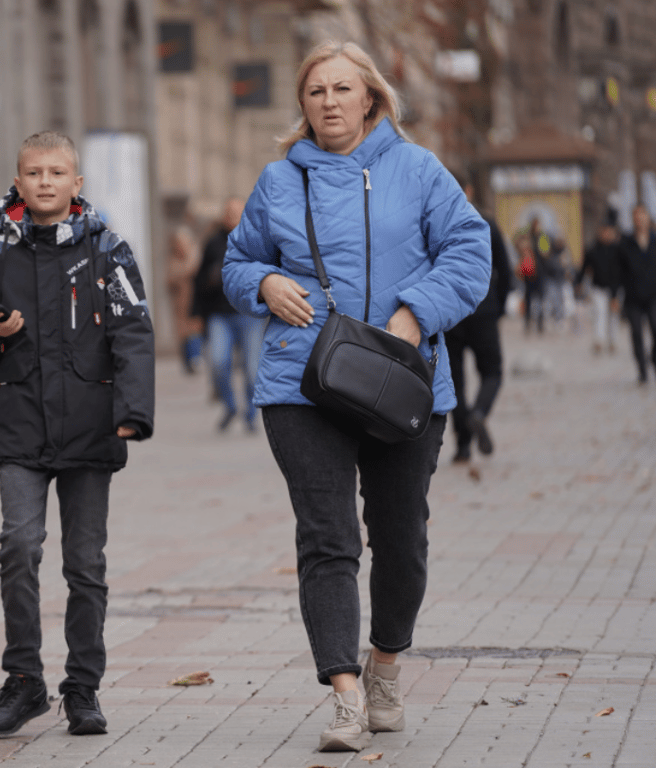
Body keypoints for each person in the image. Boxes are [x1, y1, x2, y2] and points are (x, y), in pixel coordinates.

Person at [222, 42, 489, 752]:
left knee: (402, 539)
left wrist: (417, 311)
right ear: (303, 105)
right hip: (301, 384)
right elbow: (237, 261)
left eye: (343, 89)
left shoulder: (419, 170)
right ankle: (344, 695)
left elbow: (471, 251)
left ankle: (385, 666)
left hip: (402, 380)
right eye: (317, 92)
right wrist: (262, 283)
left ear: (371, 97)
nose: (330, 102)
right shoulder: (279, 180)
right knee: (328, 538)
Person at [0, 130, 154, 738]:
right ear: (18, 182)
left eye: (56, 173)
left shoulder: (108, 251)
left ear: (76, 183)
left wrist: (134, 410)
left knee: (85, 565)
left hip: (91, 427)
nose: (45, 182)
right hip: (19, 426)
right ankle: (23, 682)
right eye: (35, 173)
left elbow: (133, 332)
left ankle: (83, 688)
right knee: (19, 547)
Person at [445, 178, 513, 464]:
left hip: (450, 313)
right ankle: (479, 413)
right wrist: (498, 307)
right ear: (469, 190)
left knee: (455, 382)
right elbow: (505, 271)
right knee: (492, 372)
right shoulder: (486, 223)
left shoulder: (438, 224)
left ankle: (463, 447)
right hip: (483, 310)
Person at [191, 196, 264, 432]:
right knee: (218, 362)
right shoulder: (213, 243)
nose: (232, 217)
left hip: (249, 314)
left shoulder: (257, 241)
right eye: (229, 212)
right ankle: (230, 406)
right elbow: (198, 280)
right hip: (219, 315)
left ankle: (250, 413)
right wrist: (209, 282)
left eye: (237, 212)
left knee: (252, 369)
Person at [617, 204, 656, 384]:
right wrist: (614, 295)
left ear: (648, 217)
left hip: (653, 295)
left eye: (642, 215)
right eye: (636, 216)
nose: (639, 219)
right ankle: (642, 370)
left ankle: (653, 357)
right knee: (637, 334)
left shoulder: (654, 240)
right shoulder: (626, 243)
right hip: (632, 296)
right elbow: (618, 271)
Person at [578, 215, 622, 355]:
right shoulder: (593, 249)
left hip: (615, 287)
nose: (606, 233)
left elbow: (622, 271)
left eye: (608, 231)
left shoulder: (618, 250)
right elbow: (584, 268)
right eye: (603, 230)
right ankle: (599, 341)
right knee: (599, 313)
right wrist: (578, 282)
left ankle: (613, 341)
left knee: (613, 316)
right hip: (598, 287)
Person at [165, 214, 201, 374]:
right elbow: (169, 280)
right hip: (180, 303)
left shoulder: (195, 257)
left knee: (194, 329)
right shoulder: (173, 260)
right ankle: (187, 361)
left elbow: (196, 273)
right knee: (182, 333)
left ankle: (195, 358)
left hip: (195, 301)